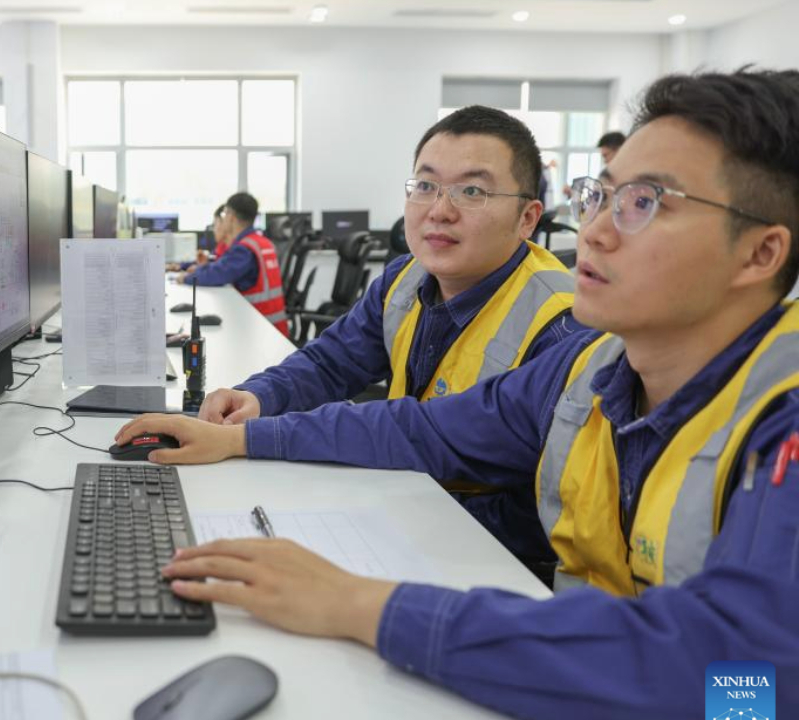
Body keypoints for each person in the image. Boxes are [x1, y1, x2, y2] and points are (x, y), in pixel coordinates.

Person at [117, 68, 799, 716]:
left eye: (644, 204)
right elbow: (422, 429)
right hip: (551, 652)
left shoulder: (780, 417)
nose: (592, 232)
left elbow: (751, 689)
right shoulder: (593, 368)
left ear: (761, 254)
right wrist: (240, 436)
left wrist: (367, 608)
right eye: (601, 195)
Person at [184, 106, 587, 578]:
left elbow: (537, 512)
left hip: (491, 562)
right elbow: (331, 363)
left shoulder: (564, 325)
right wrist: (257, 396)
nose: (440, 210)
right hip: (411, 508)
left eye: (472, 191)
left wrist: (392, 516)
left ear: (527, 218)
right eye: (425, 185)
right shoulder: (404, 278)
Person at [180, 192, 289, 336]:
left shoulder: (244, 249)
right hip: (274, 326)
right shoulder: (263, 242)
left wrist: (186, 278)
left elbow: (217, 274)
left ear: (231, 216)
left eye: (224, 215)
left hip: (260, 329)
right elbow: (220, 265)